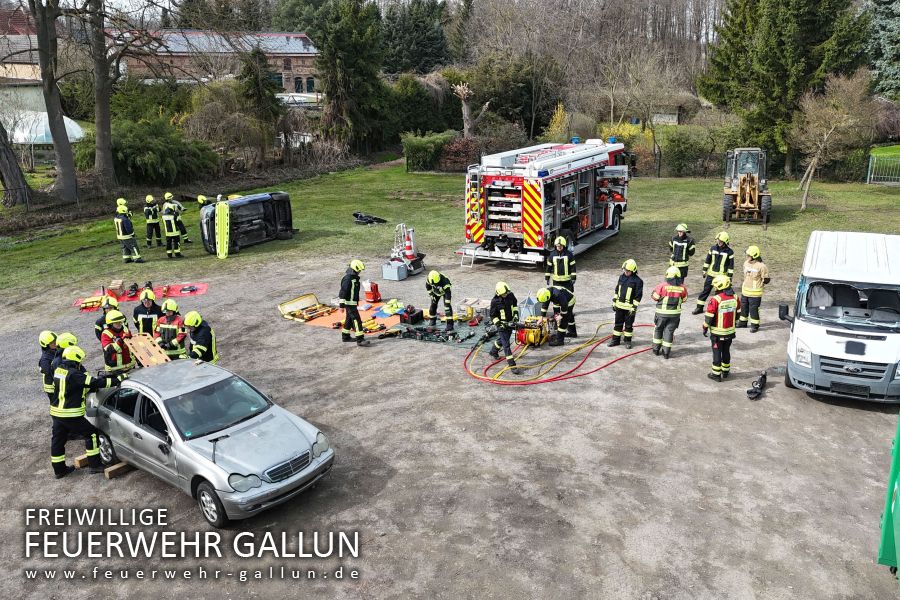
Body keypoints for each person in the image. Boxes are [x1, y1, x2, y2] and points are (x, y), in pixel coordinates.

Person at [50, 346, 120, 478]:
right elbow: (95, 383)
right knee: (92, 434)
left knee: (58, 441)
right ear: (75, 360)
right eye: (79, 361)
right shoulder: (74, 374)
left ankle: (59, 470)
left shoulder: (59, 370)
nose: (81, 363)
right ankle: (95, 465)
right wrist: (117, 379)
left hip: (56, 413)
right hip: (71, 414)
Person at [702, 275, 740, 382]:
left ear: (719, 286)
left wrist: (705, 327)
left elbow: (709, 316)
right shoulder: (735, 297)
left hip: (717, 333)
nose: (715, 288)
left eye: (716, 286)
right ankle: (726, 371)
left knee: (717, 352)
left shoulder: (716, 299)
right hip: (730, 332)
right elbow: (738, 313)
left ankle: (716, 374)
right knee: (726, 351)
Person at [650, 266, 688, 359]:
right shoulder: (682, 287)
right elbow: (684, 299)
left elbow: (655, 297)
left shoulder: (662, 286)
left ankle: (656, 349)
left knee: (658, 329)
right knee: (669, 332)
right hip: (675, 315)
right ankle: (666, 353)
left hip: (661, 314)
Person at [692, 231, 735, 315]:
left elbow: (731, 266)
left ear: (725, 241)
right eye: (718, 240)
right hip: (711, 275)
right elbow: (708, 260)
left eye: (721, 241)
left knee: (718, 294)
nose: (718, 242)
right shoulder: (712, 248)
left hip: (721, 277)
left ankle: (716, 310)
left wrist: (729, 277)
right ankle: (699, 307)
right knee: (705, 291)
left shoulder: (730, 252)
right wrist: (704, 270)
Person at [609, 259, 643, 349]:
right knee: (618, 324)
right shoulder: (621, 277)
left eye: (628, 271)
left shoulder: (638, 281)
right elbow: (617, 290)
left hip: (629, 308)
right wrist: (614, 302)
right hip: (619, 306)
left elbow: (638, 296)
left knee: (628, 326)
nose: (626, 272)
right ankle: (615, 340)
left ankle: (627, 341)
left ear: (633, 270)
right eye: (624, 270)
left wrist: (634, 307)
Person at [489, 282, 522, 374]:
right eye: (504, 293)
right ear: (499, 293)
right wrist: (499, 324)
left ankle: (493, 351)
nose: (506, 294)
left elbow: (515, 305)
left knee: (504, 340)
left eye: (507, 292)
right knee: (506, 345)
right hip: (502, 326)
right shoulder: (495, 301)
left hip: (511, 323)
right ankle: (512, 365)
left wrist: (515, 315)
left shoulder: (510, 295)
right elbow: (492, 315)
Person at [738, 245, 770, 333]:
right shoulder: (746, 263)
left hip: (755, 293)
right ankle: (742, 322)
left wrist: (764, 281)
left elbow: (766, 279)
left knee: (753, 309)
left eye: (748, 255)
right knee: (744, 307)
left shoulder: (761, 266)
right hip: (745, 291)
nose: (747, 256)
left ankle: (755, 325)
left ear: (754, 256)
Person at [339, 260, 370, 347]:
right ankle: (360, 339)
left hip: (352, 303)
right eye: (358, 270)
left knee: (349, 319)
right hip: (349, 304)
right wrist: (341, 305)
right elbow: (343, 292)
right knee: (356, 320)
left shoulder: (354, 278)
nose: (359, 272)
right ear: (355, 269)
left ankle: (345, 336)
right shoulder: (348, 279)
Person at [38, 330, 58, 401]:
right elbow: (48, 372)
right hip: (52, 388)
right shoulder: (45, 359)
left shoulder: (54, 351)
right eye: (52, 343)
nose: (55, 343)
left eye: (56, 341)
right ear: (45, 345)